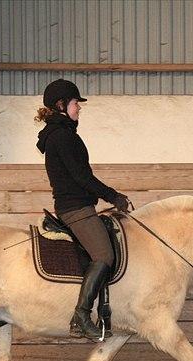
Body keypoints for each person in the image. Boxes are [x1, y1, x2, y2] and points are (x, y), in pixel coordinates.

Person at [35, 79, 131, 341]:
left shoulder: (61, 135)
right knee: (103, 255)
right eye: (76, 103)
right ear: (61, 105)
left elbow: (80, 177)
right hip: (75, 209)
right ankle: (81, 315)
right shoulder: (63, 137)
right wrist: (113, 195)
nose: (79, 108)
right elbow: (82, 177)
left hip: (79, 204)